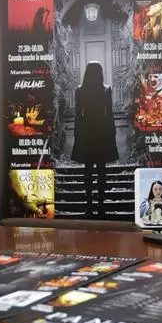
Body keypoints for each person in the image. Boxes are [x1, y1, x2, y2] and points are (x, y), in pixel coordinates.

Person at [71, 61, 119, 217]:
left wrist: (77, 133)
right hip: (102, 132)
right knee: (101, 170)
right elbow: (109, 113)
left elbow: (78, 114)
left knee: (88, 171)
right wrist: (112, 132)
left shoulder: (79, 90)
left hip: (86, 132)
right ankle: (101, 204)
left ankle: (89, 204)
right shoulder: (106, 89)